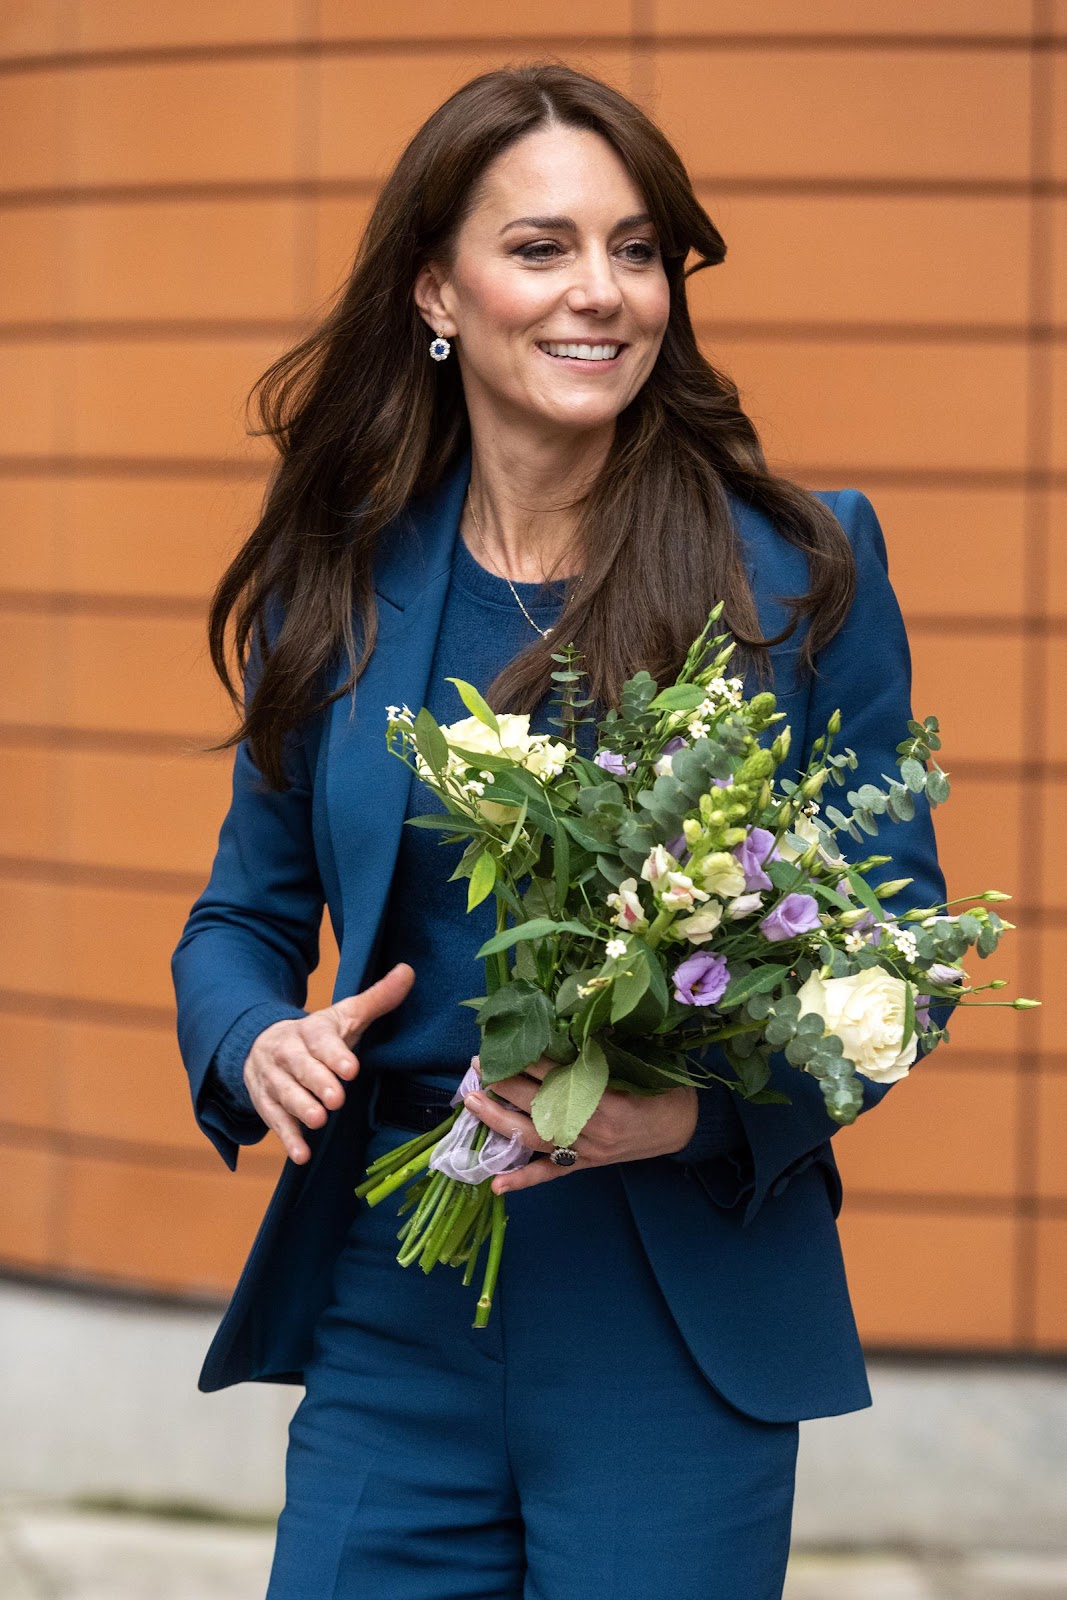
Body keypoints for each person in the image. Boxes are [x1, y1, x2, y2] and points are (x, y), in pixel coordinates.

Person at [171, 61, 948, 1600]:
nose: (604, 292)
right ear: (435, 290)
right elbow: (239, 925)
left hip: (672, 1310)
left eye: (639, 247)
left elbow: (902, 960)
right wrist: (258, 1041)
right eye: (542, 248)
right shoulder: (334, 588)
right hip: (398, 1299)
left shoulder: (799, 568)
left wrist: (698, 1118)